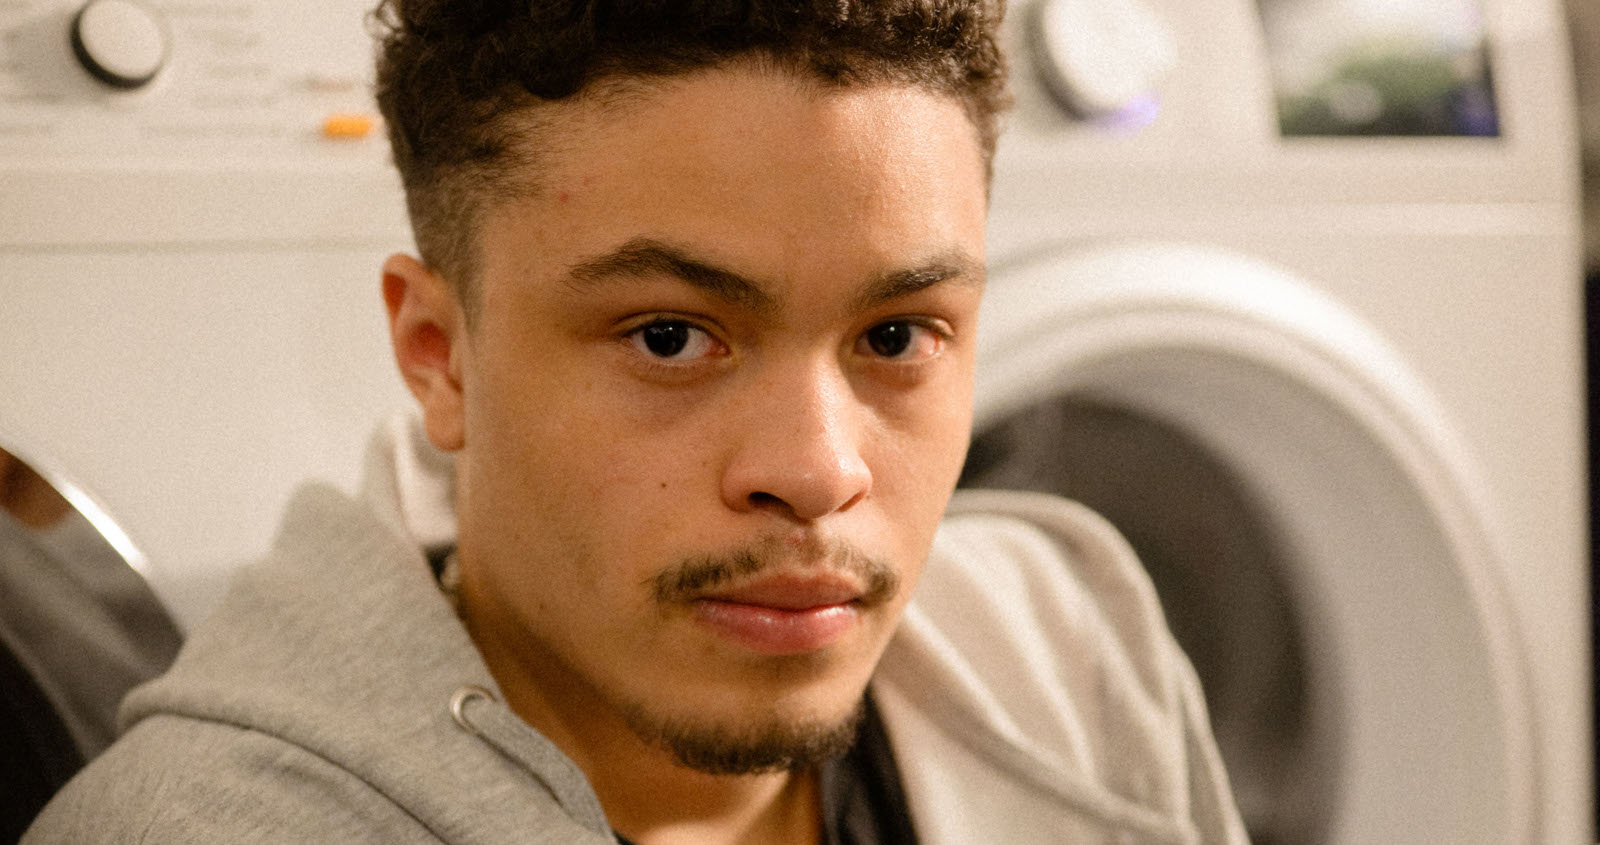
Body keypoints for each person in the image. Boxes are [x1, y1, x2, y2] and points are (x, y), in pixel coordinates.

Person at [26, 1, 1248, 842]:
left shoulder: (1075, 638)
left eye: (894, 337)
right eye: (669, 336)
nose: (816, 470)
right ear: (439, 356)